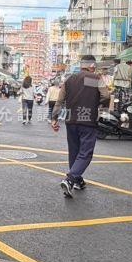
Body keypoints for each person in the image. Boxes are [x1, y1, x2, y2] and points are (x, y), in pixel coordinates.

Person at [51, 55, 109, 198]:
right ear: (92, 65)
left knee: (74, 152)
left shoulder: (70, 79)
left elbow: (60, 100)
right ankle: (70, 180)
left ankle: (77, 181)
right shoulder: (95, 78)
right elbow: (106, 96)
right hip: (88, 121)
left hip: (71, 121)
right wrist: (98, 105)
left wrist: (54, 118)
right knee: (85, 154)